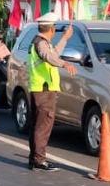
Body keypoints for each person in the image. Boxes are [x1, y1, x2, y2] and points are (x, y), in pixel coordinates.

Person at [26, 14, 77, 172]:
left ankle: (35, 158)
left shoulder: (41, 42)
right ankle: (39, 160)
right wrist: (65, 64)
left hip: (41, 89)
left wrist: (65, 39)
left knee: (38, 125)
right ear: (52, 29)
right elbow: (49, 57)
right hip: (44, 89)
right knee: (43, 126)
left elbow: (53, 54)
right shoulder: (40, 43)